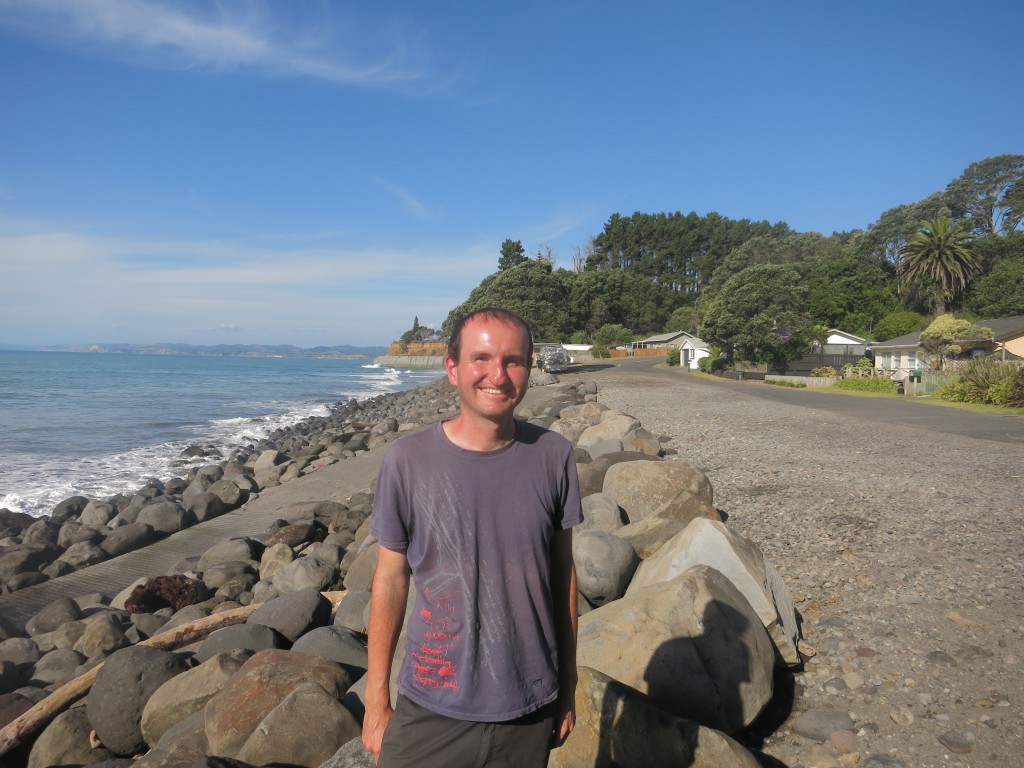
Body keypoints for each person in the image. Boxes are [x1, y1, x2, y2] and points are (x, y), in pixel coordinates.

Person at [362, 307, 582, 767]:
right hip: (431, 703)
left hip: (530, 700)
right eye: (481, 358)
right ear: (453, 369)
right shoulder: (406, 461)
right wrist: (376, 698)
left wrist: (568, 685)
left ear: (528, 367)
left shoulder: (554, 455)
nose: (497, 376)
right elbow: (389, 581)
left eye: (513, 360)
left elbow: (563, 574)